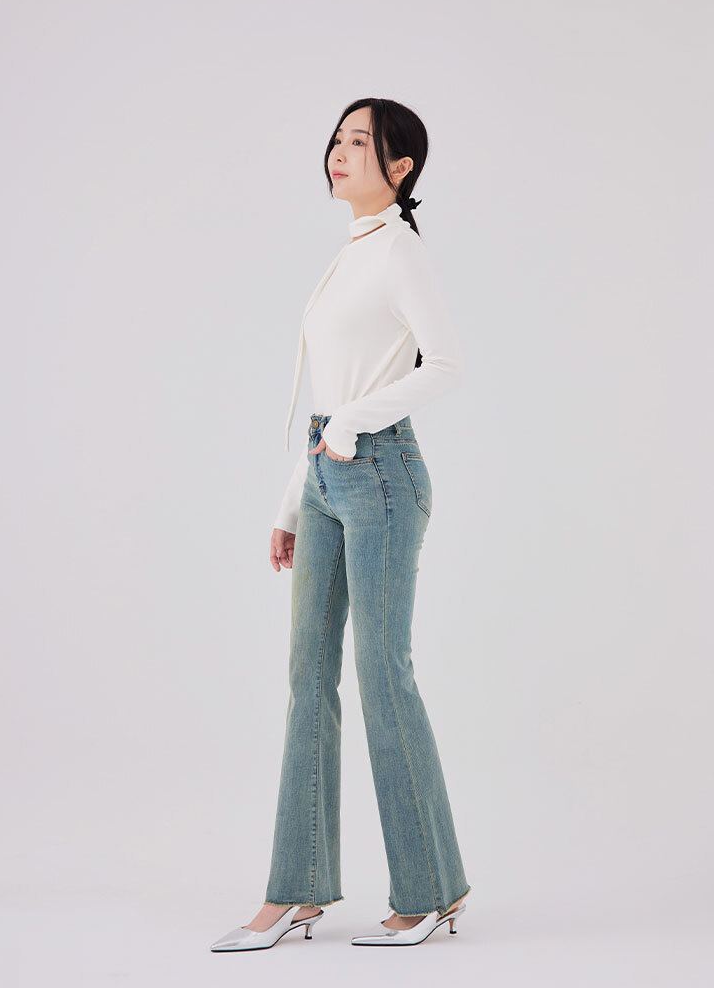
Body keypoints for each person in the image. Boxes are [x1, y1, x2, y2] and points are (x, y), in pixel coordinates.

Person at [211, 97, 471, 953]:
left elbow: (447, 364)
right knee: (307, 677)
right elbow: (331, 398)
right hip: (328, 474)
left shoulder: (399, 251)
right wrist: (294, 500)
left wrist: (353, 427)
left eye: (361, 141)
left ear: (400, 167)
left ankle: (429, 892)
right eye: (337, 138)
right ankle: (296, 890)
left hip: (383, 475)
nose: (339, 151)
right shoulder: (351, 253)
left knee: (381, 674)